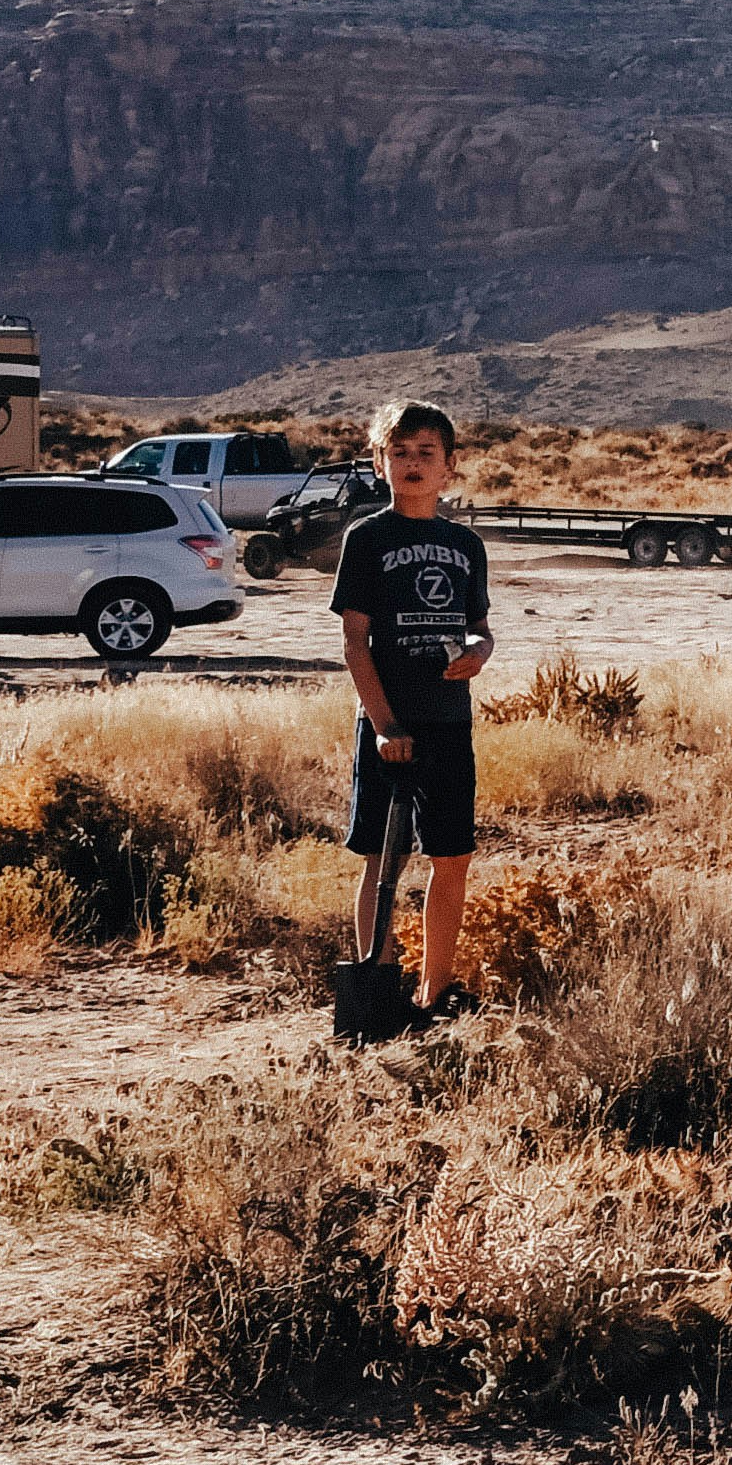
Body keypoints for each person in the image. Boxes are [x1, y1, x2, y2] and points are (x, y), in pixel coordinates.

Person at [330, 398, 497, 1019]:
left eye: (427, 453)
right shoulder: (368, 538)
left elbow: (479, 627)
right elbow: (354, 640)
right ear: (380, 464)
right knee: (381, 855)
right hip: (387, 724)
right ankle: (377, 979)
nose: (413, 463)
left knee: (451, 855)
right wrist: (384, 725)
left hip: (449, 720)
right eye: (399, 453)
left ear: (450, 465)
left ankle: (436, 989)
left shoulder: (465, 545)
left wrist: (480, 651)